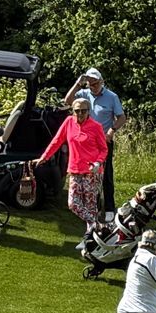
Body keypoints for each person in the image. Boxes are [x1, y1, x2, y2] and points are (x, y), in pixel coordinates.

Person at [38, 94, 109, 234]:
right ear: (73, 111)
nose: (80, 114)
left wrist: (98, 162)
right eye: (77, 111)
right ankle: (96, 224)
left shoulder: (96, 126)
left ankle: (91, 236)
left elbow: (104, 149)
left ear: (88, 111)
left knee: (90, 206)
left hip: (92, 171)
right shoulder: (69, 122)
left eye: (83, 111)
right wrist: (45, 156)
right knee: (73, 204)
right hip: (75, 169)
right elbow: (57, 141)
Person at [64, 66, 125, 216]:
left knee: (106, 175)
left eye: (95, 83)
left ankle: (109, 208)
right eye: (90, 84)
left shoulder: (112, 97)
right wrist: (78, 83)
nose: (93, 87)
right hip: (85, 142)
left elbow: (121, 117)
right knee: (88, 175)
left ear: (101, 81)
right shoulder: (83, 94)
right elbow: (68, 101)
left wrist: (112, 130)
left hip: (103, 140)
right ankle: (91, 207)